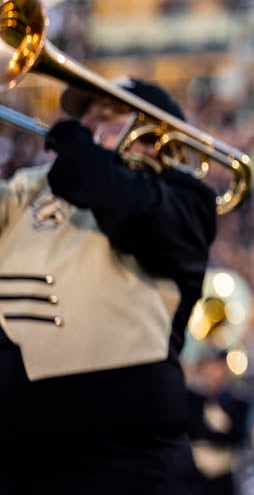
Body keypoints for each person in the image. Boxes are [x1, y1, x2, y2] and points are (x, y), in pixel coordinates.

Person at [0, 78, 218, 494]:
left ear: (158, 136)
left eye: (111, 113)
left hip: (124, 462)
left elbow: (133, 210)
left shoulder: (187, 198)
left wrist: (84, 156)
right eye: (86, 114)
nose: (90, 121)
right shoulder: (32, 187)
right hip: (19, 459)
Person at [184, 349, 251, 495]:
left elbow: (238, 437)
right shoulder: (193, 399)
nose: (214, 372)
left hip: (224, 474)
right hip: (197, 475)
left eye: (218, 366)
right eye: (210, 366)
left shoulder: (237, 401)